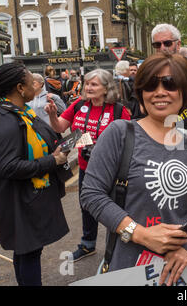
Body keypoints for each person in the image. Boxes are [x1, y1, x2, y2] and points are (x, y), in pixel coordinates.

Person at [80, 53, 187, 285]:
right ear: (141, 92)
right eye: (150, 85)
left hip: (179, 272)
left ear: (185, 92)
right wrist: (141, 234)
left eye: (170, 84)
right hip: (128, 269)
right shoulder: (120, 133)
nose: (159, 92)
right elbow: (91, 194)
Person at [0, 63, 69, 285]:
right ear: (19, 87)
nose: (36, 86)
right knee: (28, 253)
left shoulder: (20, 112)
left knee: (27, 252)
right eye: (30, 81)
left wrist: (59, 148)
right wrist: (51, 161)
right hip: (20, 201)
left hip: (30, 197)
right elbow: (8, 166)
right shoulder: (4, 120)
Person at [45, 69, 131, 262]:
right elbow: (60, 127)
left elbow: (129, 140)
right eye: (87, 84)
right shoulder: (79, 105)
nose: (89, 87)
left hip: (112, 170)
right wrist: (52, 115)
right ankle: (88, 244)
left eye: (94, 84)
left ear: (106, 88)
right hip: (86, 168)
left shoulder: (117, 110)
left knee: (115, 208)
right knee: (87, 206)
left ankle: (117, 245)